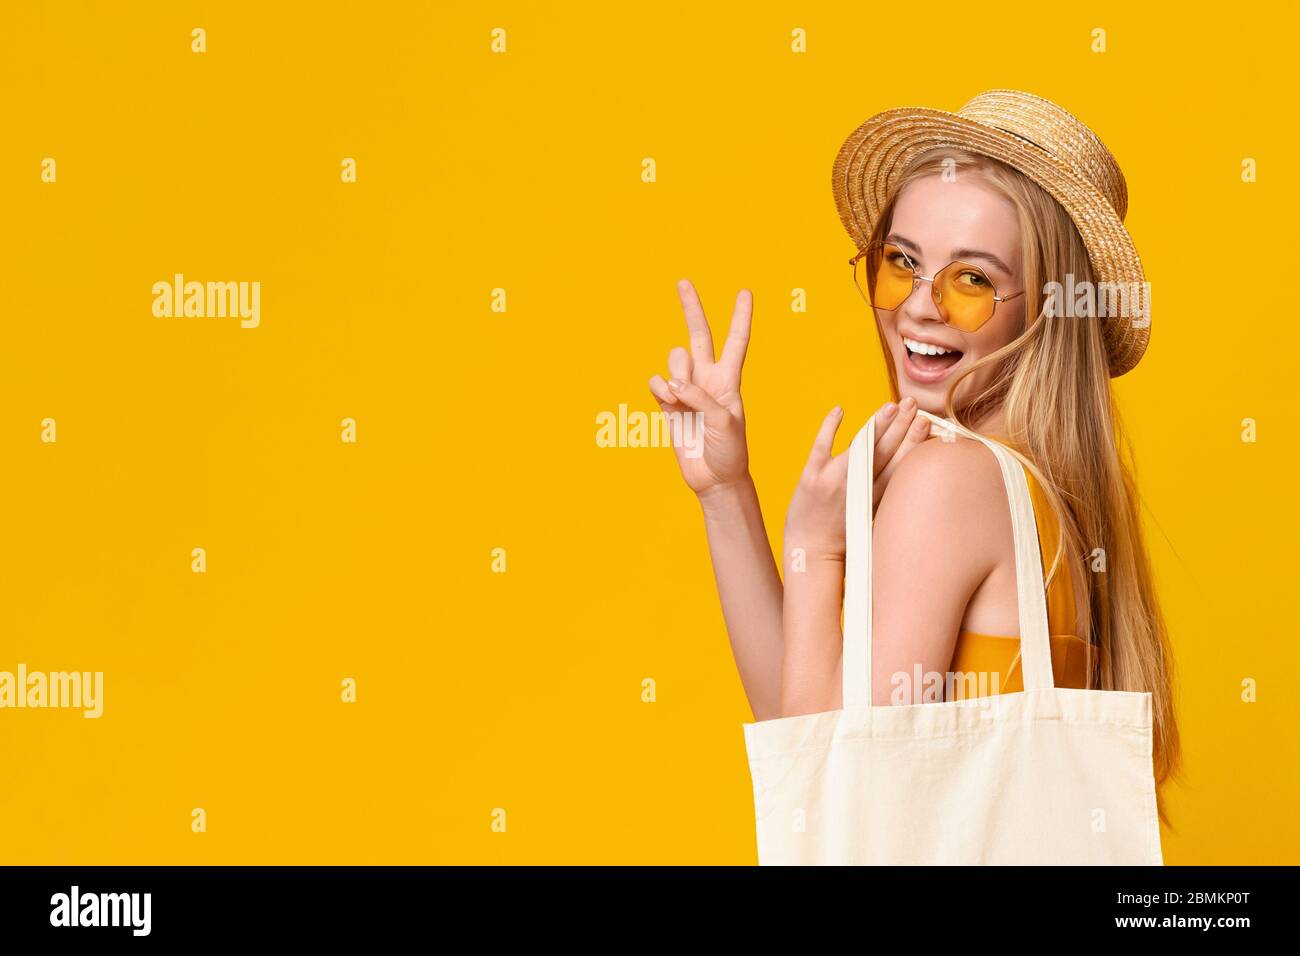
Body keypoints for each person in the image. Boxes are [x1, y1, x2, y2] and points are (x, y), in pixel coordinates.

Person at [648, 90, 1180, 823]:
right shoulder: (1036, 491)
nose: (919, 306)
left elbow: (833, 790)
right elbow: (802, 723)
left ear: (1047, 312)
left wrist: (816, 548)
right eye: (902, 262)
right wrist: (725, 492)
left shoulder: (951, 482)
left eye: (973, 280)